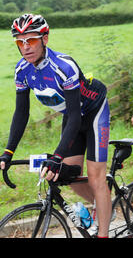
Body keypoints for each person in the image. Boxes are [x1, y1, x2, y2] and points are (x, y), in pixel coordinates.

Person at [0, 14, 111, 238]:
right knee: (65, 175)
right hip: (72, 117)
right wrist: (7, 152)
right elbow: (21, 113)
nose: (25, 47)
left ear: (45, 38)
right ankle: (105, 206)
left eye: (30, 40)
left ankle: (104, 231)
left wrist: (57, 155)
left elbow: (75, 114)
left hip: (93, 112)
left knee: (95, 176)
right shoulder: (22, 70)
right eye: (19, 42)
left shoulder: (63, 66)